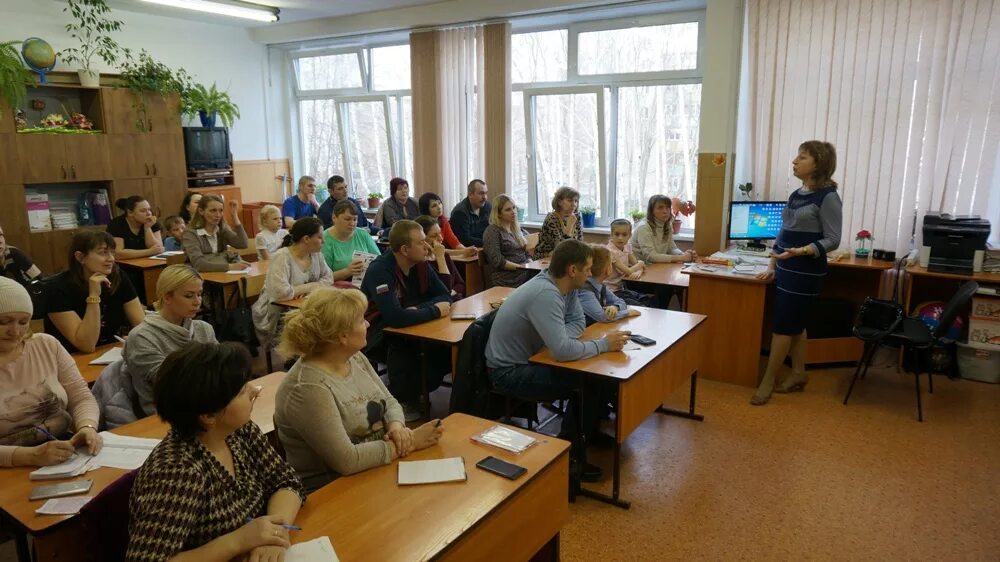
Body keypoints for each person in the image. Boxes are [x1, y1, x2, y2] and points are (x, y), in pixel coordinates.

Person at [127, 342, 305, 562]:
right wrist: (238, 541)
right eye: (241, 391)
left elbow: (286, 482)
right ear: (208, 416)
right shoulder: (178, 472)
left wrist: (273, 534)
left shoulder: (239, 431)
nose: (254, 391)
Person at [485, 239, 630, 482]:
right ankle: (571, 456)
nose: (590, 275)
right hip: (509, 372)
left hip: (534, 359)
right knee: (588, 382)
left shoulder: (568, 287)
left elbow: (577, 323)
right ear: (572, 270)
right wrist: (603, 345)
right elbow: (562, 351)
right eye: (587, 269)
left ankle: (587, 433)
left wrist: (561, 341)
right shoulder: (546, 293)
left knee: (599, 376)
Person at [274, 288, 443, 492]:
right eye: (362, 320)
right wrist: (411, 442)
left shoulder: (353, 357)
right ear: (342, 336)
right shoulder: (307, 388)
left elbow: (389, 402)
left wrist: (397, 428)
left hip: (374, 471)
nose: (369, 323)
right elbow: (347, 461)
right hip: (332, 491)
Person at [752, 141, 843, 405]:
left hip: (805, 271)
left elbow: (834, 239)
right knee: (796, 324)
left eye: (802, 157)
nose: (794, 161)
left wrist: (802, 251)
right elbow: (784, 231)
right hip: (785, 265)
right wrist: (772, 263)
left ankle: (768, 381)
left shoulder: (828, 197)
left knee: (782, 326)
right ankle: (799, 373)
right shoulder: (797, 193)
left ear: (819, 164)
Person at [0, 277, 103, 468]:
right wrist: (29, 456)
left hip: (61, 450)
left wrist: (87, 427)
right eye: (3, 322)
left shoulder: (46, 345)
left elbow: (80, 397)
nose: (15, 332)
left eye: (23, 322)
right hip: (9, 465)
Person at [360, 220, 452, 421]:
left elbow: (445, 296)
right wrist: (433, 311)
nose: (427, 247)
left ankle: (420, 390)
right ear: (404, 249)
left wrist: (418, 310)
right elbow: (394, 317)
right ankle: (403, 398)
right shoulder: (380, 270)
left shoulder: (420, 264)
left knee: (443, 344)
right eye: (421, 243)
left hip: (414, 322)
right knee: (404, 343)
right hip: (375, 330)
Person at [118, 265, 217, 422]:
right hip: (166, 417)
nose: (197, 302)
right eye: (189, 296)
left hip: (206, 406)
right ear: (167, 297)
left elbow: (221, 371)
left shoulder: (204, 329)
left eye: (199, 294)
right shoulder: (142, 337)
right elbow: (173, 385)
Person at [45, 231, 145, 353]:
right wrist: (93, 296)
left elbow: (141, 325)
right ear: (80, 257)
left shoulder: (118, 277)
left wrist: (135, 339)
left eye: (112, 252)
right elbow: (86, 345)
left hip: (111, 352)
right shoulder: (56, 288)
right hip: (72, 358)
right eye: (103, 253)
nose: (111, 259)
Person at [252, 217, 333, 345]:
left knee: (330, 316)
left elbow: (328, 279)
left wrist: (297, 290)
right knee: (315, 323)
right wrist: (311, 287)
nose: (323, 241)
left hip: (303, 304)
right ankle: (299, 356)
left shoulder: (316, 255)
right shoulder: (282, 257)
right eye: (319, 237)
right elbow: (281, 293)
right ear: (306, 239)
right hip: (276, 310)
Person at [180, 194, 250, 273]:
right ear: (201, 211)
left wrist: (234, 216)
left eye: (221, 210)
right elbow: (199, 264)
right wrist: (230, 266)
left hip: (222, 274)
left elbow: (243, 244)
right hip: (200, 278)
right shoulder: (190, 233)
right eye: (213, 211)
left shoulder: (221, 228)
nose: (218, 215)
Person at [578, 246, 642, 326]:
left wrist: (615, 307)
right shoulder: (584, 291)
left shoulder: (600, 285)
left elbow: (620, 301)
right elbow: (603, 317)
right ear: (608, 269)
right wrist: (627, 313)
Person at [321, 200, 381, 282]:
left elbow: (379, 261)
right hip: (338, 288)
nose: (352, 223)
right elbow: (322, 278)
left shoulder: (363, 234)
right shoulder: (324, 239)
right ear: (334, 217)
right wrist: (347, 271)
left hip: (366, 282)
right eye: (347, 219)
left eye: (355, 219)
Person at [482, 194, 534, 288]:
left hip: (524, 272)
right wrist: (521, 267)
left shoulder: (516, 229)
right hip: (507, 277)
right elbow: (497, 261)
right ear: (498, 214)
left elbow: (525, 252)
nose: (513, 212)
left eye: (513, 208)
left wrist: (530, 263)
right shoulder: (492, 231)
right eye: (508, 209)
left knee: (548, 275)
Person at [632, 194, 697, 264]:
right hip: (639, 268)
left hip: (655, 266)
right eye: (660, 208)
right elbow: (651, 256)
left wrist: (684, 255)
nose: (665, 211)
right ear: (651, 211)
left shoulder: (667, 225)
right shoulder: (644, 227)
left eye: (667, 207)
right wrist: (681, 258)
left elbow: (672, 248)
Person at [415, 215, 466, 299]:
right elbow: (442, 291)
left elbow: (461, 285)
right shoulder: (420, 262)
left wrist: (450, 293)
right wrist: (440, 258)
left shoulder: (444, 255)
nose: (441, 238)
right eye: (434, 236)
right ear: (422, 239)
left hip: (455, 302)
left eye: (440, 233)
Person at [106, 195, 165, 260]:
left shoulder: (152, 222)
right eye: (143, 211)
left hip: (149, 263)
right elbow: (118, 253)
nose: (149, 213)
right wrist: (149, 252)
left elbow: (158, 249)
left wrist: (147, 228)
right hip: (125, 265)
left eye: (149, 209)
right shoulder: (117, 224)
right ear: (130, 213)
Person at [535, 186, 583, 258]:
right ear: (559, 202)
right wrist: (569, 228)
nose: (574, 204)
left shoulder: (577, 216)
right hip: (547, 258)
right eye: (570, 200)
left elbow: (580, 242)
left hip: (569, 256)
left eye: (576, 201)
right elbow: (560, 249)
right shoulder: (551, 219)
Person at [605, 219, 646, 293]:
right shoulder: (610, 251)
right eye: (617, 234)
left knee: (645, 298)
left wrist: (639, 270)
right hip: (610, 290)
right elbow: (628, 271)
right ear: (611, 235)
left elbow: (636, 264)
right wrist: (641, 263)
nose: (620, 238)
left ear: (630, 235)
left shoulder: (627, 246)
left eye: (624, 234)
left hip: (622, 286)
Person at [450, 179, 491, 247]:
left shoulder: (487, 206)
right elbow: (465, 240)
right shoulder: (460, 212)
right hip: (467, 251)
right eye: (481, 193)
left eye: (486, 193)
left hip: (484, 248)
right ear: (470, 194)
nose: (485, 197)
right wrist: (489, 242)